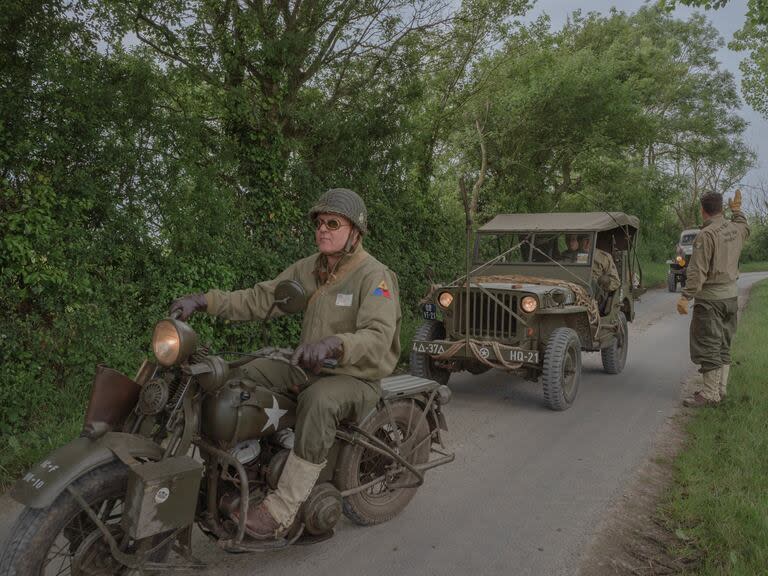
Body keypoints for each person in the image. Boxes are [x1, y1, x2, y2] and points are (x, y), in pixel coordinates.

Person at [169, 188, 401, 539]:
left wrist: (335, 344)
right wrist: (204, 301)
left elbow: (379, 336)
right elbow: (261, 298)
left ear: (355, 231)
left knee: (319, 401)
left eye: (332, 223)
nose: (322, 229)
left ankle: (281, 510)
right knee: (234, 377)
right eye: (319, 222)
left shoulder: (375, 276)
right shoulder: (311, 268)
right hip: (308, 365)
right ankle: (238, 466)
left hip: (356, 377)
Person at [677, 190, 749, 407]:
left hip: (710, 300)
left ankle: (709, 394)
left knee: (708, 344)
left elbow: (697, 271)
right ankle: (720, 389)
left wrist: (685, 296)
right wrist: (737, 212)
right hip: (731, 297)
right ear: (721, 208)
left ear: (703, 210)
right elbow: (745, 227)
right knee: (724, 344)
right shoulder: (735, 228)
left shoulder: (706, 235)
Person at [581, 235, 620, 309]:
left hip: (596, 294)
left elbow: (615, 281)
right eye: (582, 240)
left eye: (588, 240)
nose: (586, 243)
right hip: (574, 287)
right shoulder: (568, 255)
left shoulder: (603, 257)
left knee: (595, 282)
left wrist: (603, 285)